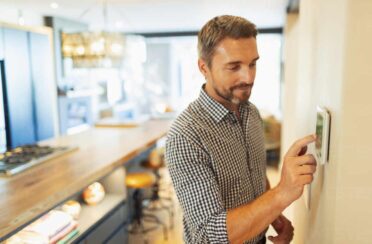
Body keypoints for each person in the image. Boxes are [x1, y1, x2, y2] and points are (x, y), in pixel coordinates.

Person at [165, 15, 317, 244]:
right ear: (204, 67)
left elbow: (255, 176)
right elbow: (209, 235)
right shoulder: (186, 135)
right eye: (234, 66)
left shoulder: (251, 113)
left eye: (253, 63)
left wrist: (274, 217)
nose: (248, 77)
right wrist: (282, 193)